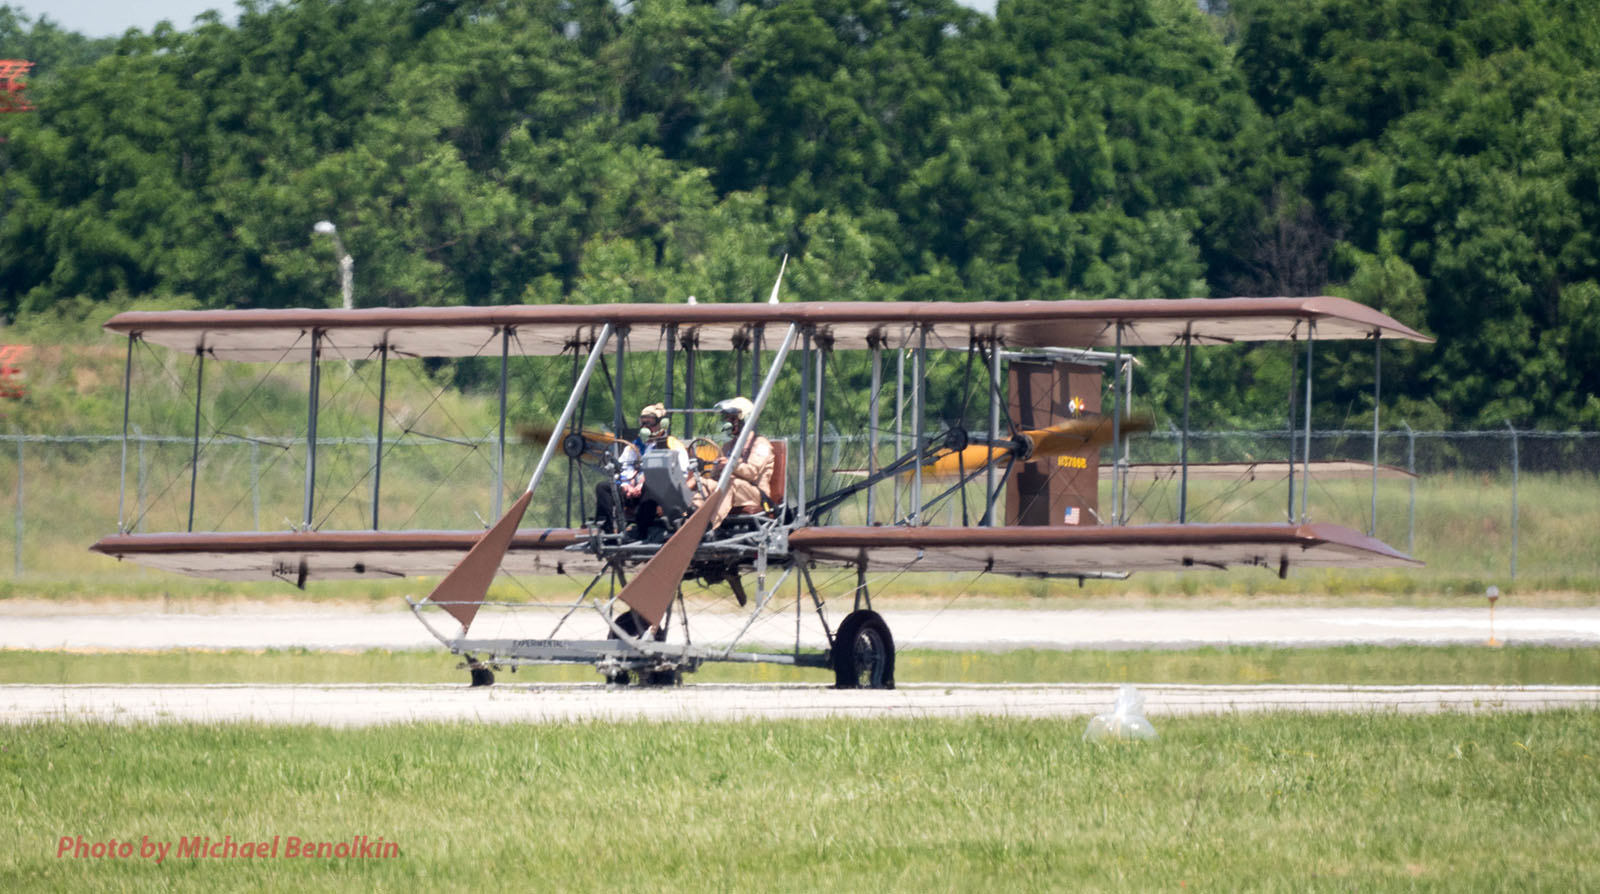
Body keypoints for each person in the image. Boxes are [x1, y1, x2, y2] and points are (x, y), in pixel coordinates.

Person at [593, 403, 690, 536]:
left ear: (662, 424)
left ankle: (642, 531)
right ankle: (607, 531)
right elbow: (623, 468)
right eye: (643, 423)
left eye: (650, 424)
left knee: (652, 487)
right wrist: (626, 485)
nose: (645, 427)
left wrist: (644, 483)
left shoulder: (673, 446)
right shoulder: (634, 446)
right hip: (633, 490)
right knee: (603, 487)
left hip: (661, 495)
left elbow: (681, 475)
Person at [693, 395, 775, 530]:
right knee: (703, 482)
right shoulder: (728, 446)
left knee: (731, 483)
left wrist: (731, 465)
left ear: (746, 419)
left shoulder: (760, 444)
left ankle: (710, 526)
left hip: (756, 494)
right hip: (732, 490)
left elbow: (752, 473)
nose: (728, 422)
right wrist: (715, 471)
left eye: (733, 418)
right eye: (727, 418)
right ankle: (689, 517)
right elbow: (716, 477)